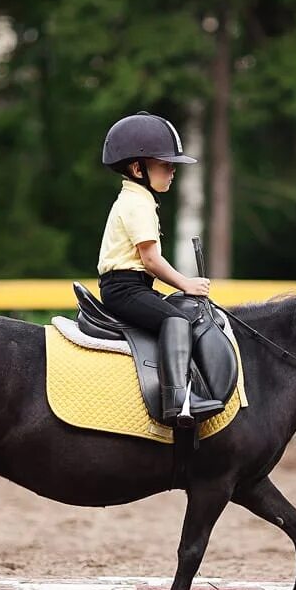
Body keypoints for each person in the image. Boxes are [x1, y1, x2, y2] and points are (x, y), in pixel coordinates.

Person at [97, 111, 225, 428]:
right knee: (176, 319)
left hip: (133, 285)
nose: (172, 172)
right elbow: (151, 260)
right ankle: (178, 398)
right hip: (125, 288)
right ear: (137, 168)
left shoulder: (138, 199)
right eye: (165, 165)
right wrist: (186, 285)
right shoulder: (137, 204)